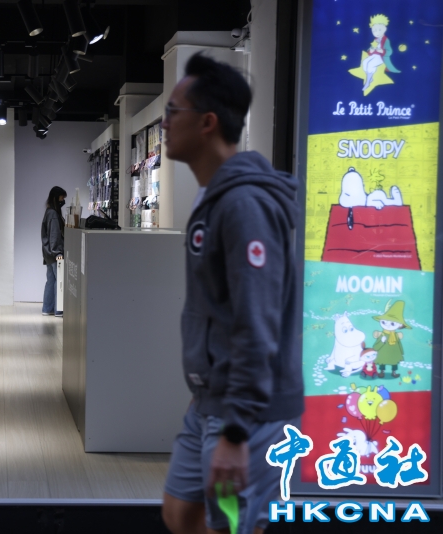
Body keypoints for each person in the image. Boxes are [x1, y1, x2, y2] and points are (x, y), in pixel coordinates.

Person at [159, 53, 304, 534]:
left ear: (207, 122)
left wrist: (237, 430)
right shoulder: (214, 197)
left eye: (172, 111)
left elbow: (256, 322)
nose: (165, 124)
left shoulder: (244, 205)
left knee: (232, 526)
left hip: (248, 414)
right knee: (181, 512)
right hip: (211, 401)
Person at [41, 186, 67, 317]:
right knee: (58, 281)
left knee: (51, 281)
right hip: (55, 254)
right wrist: (58, 253)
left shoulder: (49, 212)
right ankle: (59, 310)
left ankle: (47, 308)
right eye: (62, 197)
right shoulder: (53, 214)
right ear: (56, 197)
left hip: (48, 253)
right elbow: (54, 235)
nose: (63, 200)